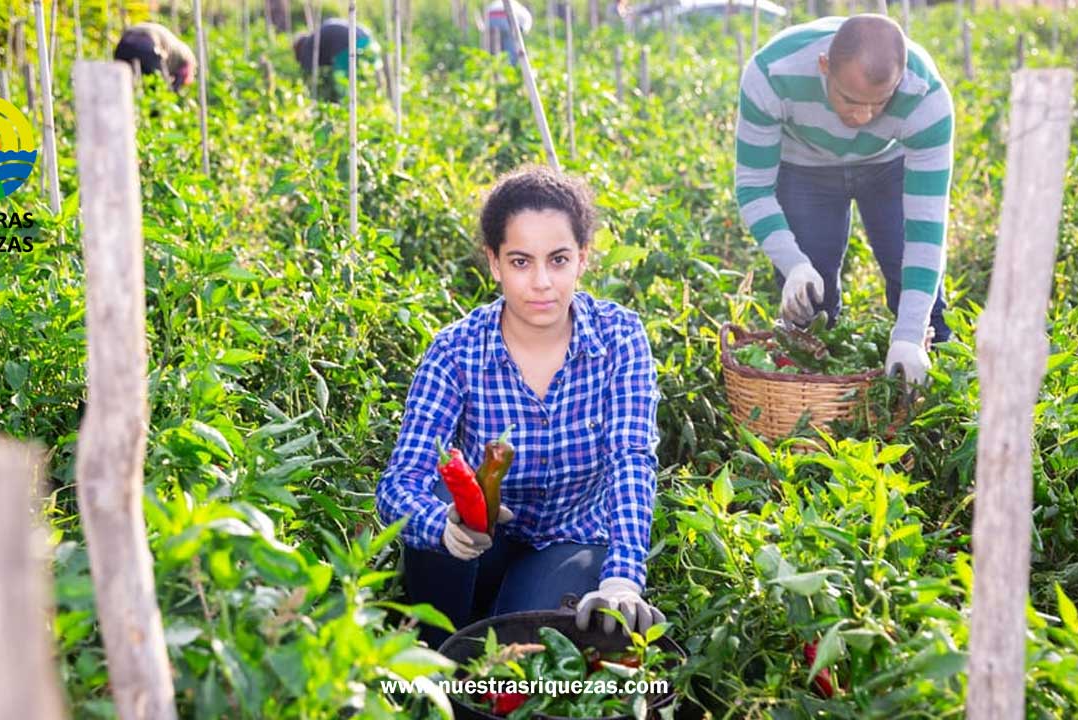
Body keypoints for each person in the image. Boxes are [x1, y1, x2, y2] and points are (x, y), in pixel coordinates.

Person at [376, 166, 665, 649]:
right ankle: (434, 651)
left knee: (515, 649)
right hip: (477, 541)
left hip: (570, 539)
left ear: (582, 259)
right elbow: (399, 483)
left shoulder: (620, 338)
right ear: (494, 263)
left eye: (558, 260)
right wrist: (441, 529)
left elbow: (630, 461)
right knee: (446, 624)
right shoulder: (457, 350)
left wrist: (623, 578)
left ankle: (482, 635)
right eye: (520, 262)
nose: (542, 283)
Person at [734, 14, 953, 385]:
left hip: (887, 164)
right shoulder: (771, 75)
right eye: (850, 99)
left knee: (911, 281)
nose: (862, 116)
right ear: (824, 67)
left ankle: (936, 388)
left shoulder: (925, 98)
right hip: (804, 164)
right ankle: (815, 403)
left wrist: (910, 334)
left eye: (880, 103)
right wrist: (794, 264)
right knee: (811, 301)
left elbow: (927, 230)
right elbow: (753, 187)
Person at [292, 19, 381, 101]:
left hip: (349, 45)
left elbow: (307, 69)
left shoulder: (307, 45)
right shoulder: (319, 34)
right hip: (368, 40)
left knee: (340, 79)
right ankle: (371, 98)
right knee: (366, 76)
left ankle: (346, 103)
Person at [113, 21, 195, 92]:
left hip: (124, 43)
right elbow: (178, 82)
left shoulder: (174, 45)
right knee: (158, 87)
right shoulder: (186, 55)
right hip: (147, 43)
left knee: (122, 84)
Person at [477, 0, 532, 64]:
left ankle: (492, 66)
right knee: (510, 49)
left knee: (493, 50)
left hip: (490, 20)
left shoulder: (496, 3)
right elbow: (526, 23)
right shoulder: (520, 9)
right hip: (505, 19)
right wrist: (524, 30)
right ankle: (511, 66)